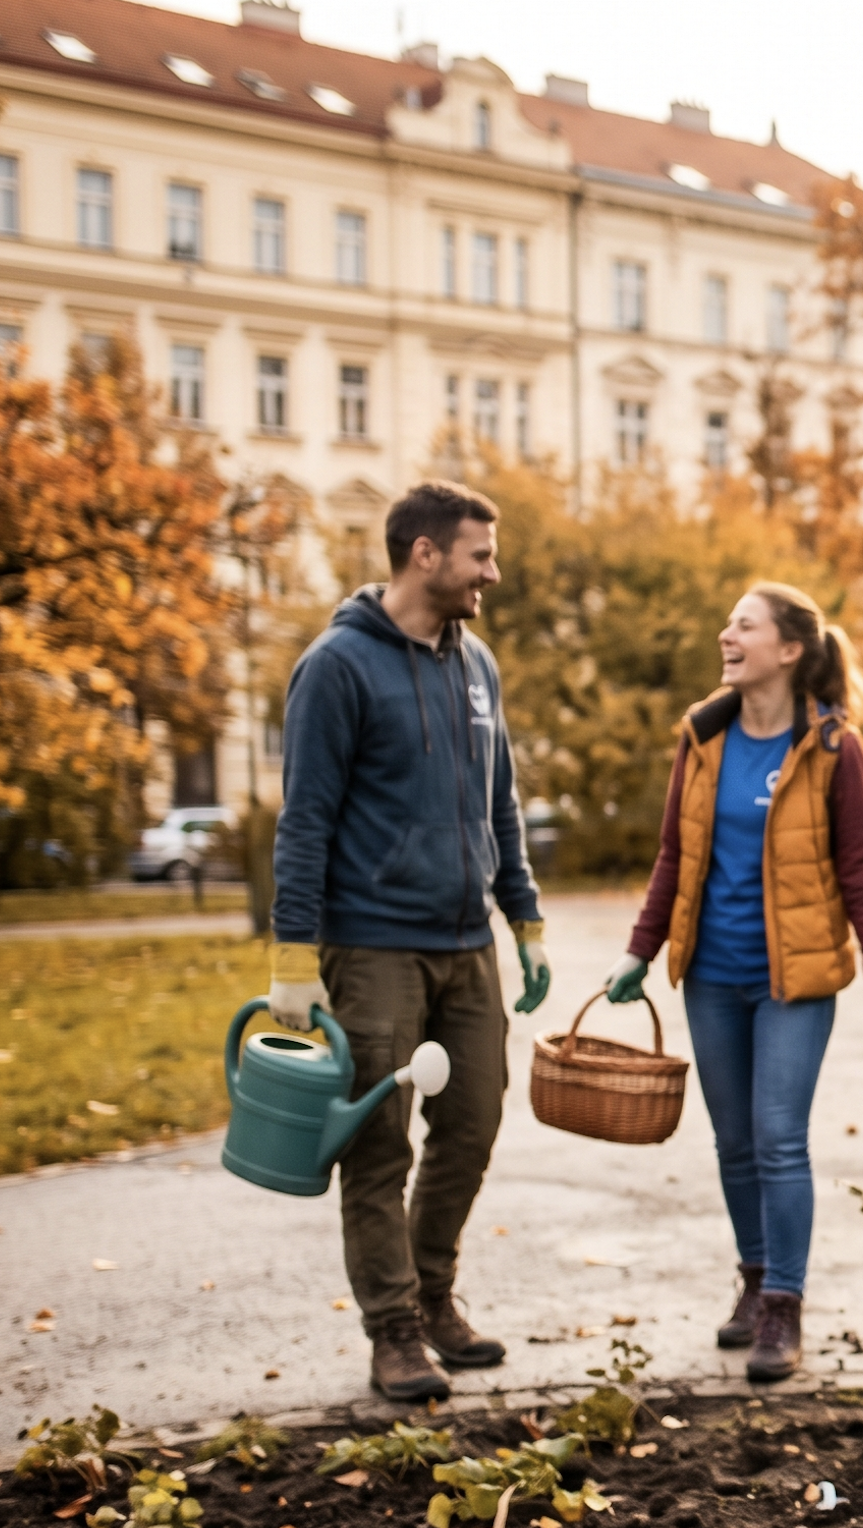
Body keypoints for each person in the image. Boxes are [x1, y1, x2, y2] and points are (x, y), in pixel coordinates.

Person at [268, 480, 552, 1403]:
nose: (492, 574)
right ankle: (392, 1331)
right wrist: (291, 957)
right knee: (378, 1142)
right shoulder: (337, 667)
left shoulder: (478, 666)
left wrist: (526, 916)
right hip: (373, 945)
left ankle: (434, 1299)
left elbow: (499, 799)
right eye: (479, 555)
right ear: (424, 554)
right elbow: (304, 821)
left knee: (472, 1122)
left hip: (467, 942)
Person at [603, 582, 863, 1384]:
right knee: (733, 1142)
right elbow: (675, 852)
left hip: (795, 981)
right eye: (729, 621)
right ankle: (750, 1280)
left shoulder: (835, 749)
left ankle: (783, 1304)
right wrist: (640, 951)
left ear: (788, 650)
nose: (725, 633)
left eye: (744, 624)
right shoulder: (702, 736)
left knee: (777, 1138)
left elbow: (862, 864)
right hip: (710, 972)